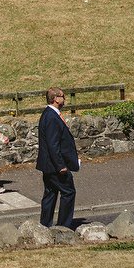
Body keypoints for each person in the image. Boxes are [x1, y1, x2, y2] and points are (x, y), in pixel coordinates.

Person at [37, 87, 80, 229]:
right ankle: (63, 226)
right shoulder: (51, 117)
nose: (65, 99)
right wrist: (61, 165)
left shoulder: (49, 114)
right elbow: (53, 144)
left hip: (49, 165)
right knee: (68, 192)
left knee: (50, 193)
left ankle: (45, 225)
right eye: (62, 96)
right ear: (55, 98)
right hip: (55, 166)